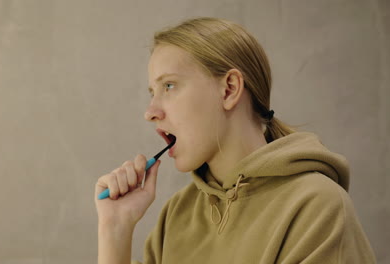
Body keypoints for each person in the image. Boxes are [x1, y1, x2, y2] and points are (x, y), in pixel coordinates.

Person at [94, 17, 376, 264]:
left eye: (169, 85)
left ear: (229, 89)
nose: (150, 112)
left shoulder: (316, 207)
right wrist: (114, 230)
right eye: (152, 91)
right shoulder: (178, 213)